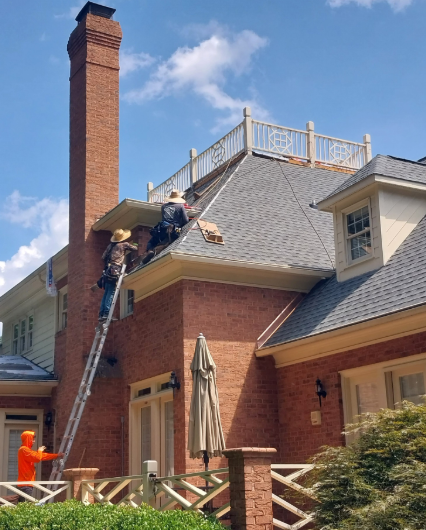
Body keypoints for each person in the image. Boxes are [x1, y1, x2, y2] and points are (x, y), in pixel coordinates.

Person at [98, 228, 137, 321]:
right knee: (111, 292)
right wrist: (135, 243)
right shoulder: (124, 244)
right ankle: (107, 314)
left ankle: (101, 314)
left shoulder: (110, 246)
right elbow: (135, 248)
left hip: (107, 271)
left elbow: (103, 257)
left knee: (106, 292)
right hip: (115, 270)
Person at [17, 430, 64, 502]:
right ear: (28, 439)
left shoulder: (27, 450)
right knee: (24, 507)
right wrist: (40, 450)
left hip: (26, 484)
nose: (34, 441)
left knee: (22, 506)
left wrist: (57, 455)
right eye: (32, 439)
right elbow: (38, 458)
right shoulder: (24, 450)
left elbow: (42, 456)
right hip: (25, 485)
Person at [145, 190, 189, 260]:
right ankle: (165, 242)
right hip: (175, 230)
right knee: (179, 231)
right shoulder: (180, 206)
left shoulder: (163, 206)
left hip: (162, 229)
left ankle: (150, 250)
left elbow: (165, 218)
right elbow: (186, 221)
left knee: (151, 241)